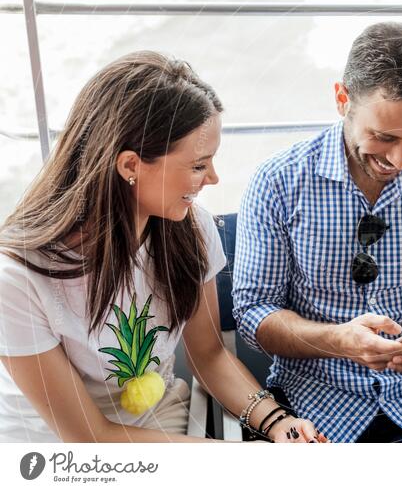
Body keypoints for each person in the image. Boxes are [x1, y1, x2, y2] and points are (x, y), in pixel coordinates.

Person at [0, 52, 322, 443]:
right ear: (130, 166)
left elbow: (210, 355)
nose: (214, 178)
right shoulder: (16, 278)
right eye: (199, 165)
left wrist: (276, 423)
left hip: (159, 425)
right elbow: (89, 438)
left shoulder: (194, 228)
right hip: (54, 452)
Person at [233, 22, 402, 443]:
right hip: (310, 408)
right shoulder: (278, 181)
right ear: (342, 99)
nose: (399, 159)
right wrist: (339, 341)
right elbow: (253, 312)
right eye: (383, 137)